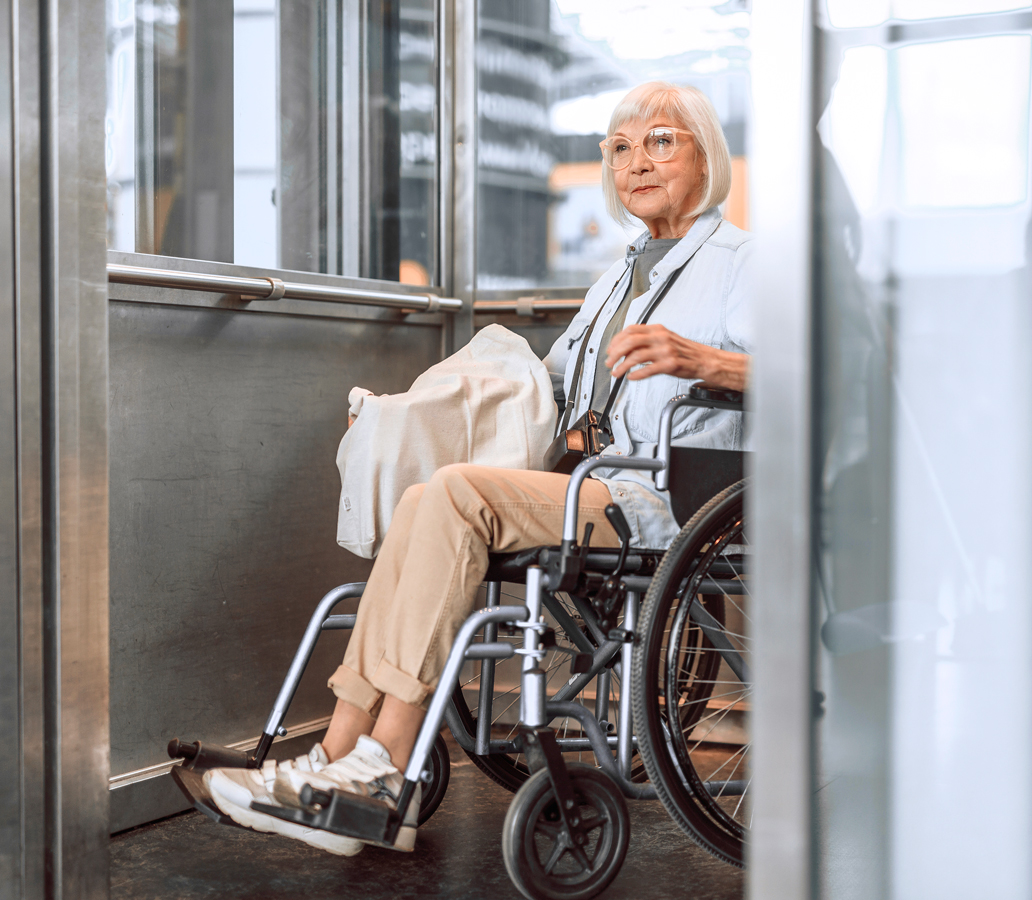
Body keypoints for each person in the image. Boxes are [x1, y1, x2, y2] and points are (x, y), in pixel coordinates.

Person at [203, 80, 755, 857]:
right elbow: (547, 389)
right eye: (621, 148)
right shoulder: (619, 275)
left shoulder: (744, 260)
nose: (637, 161)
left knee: (456, 494)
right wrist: (413, 410)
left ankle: (376, 771)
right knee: (429, 489)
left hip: (666, 492)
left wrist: (705, 359)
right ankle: (337, 760)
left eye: (661, 140)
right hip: (590, 479)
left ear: (707, 153)